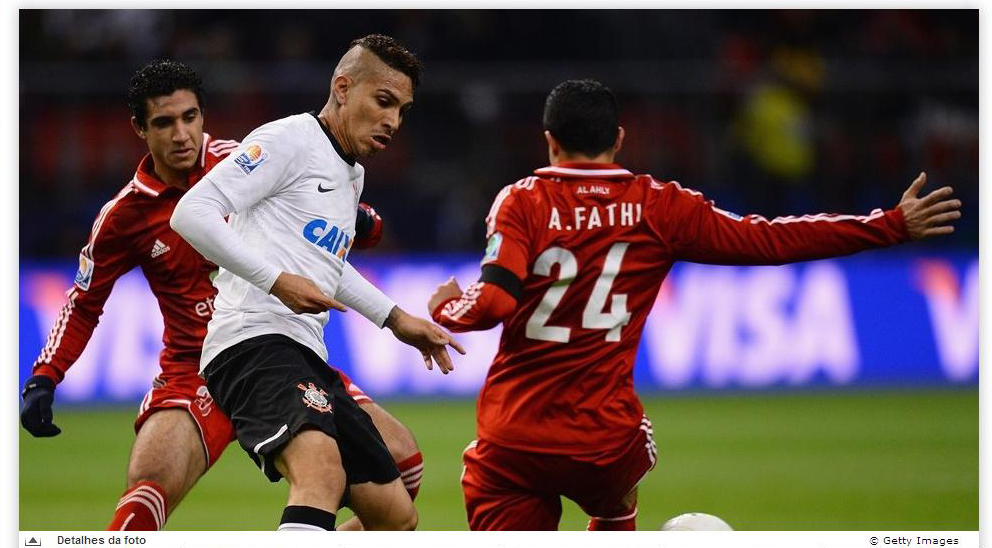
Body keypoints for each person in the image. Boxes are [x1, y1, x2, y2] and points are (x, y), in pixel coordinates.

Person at [427, 79, 962, 531]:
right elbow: (769, 239)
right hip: (601, 442)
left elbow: (494, 301)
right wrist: (888, 225)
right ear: (619, 138)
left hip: (512, 437)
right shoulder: (659, 205)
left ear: (548, 142)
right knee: (623, 474)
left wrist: (447, 310)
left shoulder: (521, 200)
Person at [19, 59, 424, 532]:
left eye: (190, 117)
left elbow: (332, 211)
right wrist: (46, 375)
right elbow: (84, 301)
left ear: (203, 116)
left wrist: (360, 220)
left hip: (281, 345)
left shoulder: (243, 159)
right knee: (146, 492)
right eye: (164, 123)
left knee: (402, 468)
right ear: (139, 129)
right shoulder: (123, 215)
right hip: (196, 371)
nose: (181, 135)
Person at [170, 34, 463, 532]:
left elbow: (328, 265)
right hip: (250, 341)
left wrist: (394, 320)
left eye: (403, 110)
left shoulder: (353, 175)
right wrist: (276, 281)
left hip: (304, 351)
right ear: (343, 88)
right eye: (384, 101)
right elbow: (190, 213)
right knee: (320, 472)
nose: (393, 120)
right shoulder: (289, 139)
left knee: (395, 518)